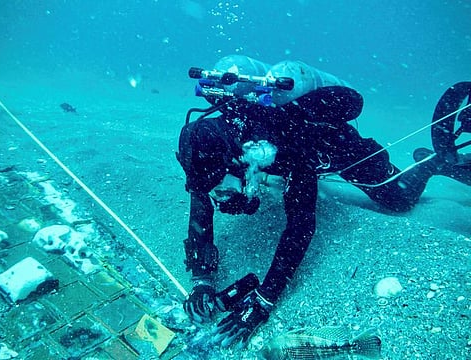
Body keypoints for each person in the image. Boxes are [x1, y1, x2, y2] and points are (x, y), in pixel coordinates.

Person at [176, 55, 471, 348]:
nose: (219, 194)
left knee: (399, 198)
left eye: (221, 185)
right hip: (273, 158)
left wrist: (265, 299)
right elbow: (200, 199)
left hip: (335, 146)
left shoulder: (287, 139)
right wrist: (202, 279)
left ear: (237, 161)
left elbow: (301, 224)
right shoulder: (210, 143)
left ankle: (434, 163)